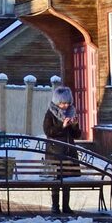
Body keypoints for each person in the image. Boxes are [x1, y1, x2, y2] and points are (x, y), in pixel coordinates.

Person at [43, 86, 81, 215]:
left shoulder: (71, 113)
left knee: (67, 180)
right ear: (57, 102)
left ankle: (66, 206)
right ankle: (55, 206)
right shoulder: (50, 114)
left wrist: (74, 125)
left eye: (67, 103)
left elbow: (76, 135)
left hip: (69, 151)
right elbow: (48, 131)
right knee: (56, 180)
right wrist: (62, 126)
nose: (65, 106)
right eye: (62, 103)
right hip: (54, 153)